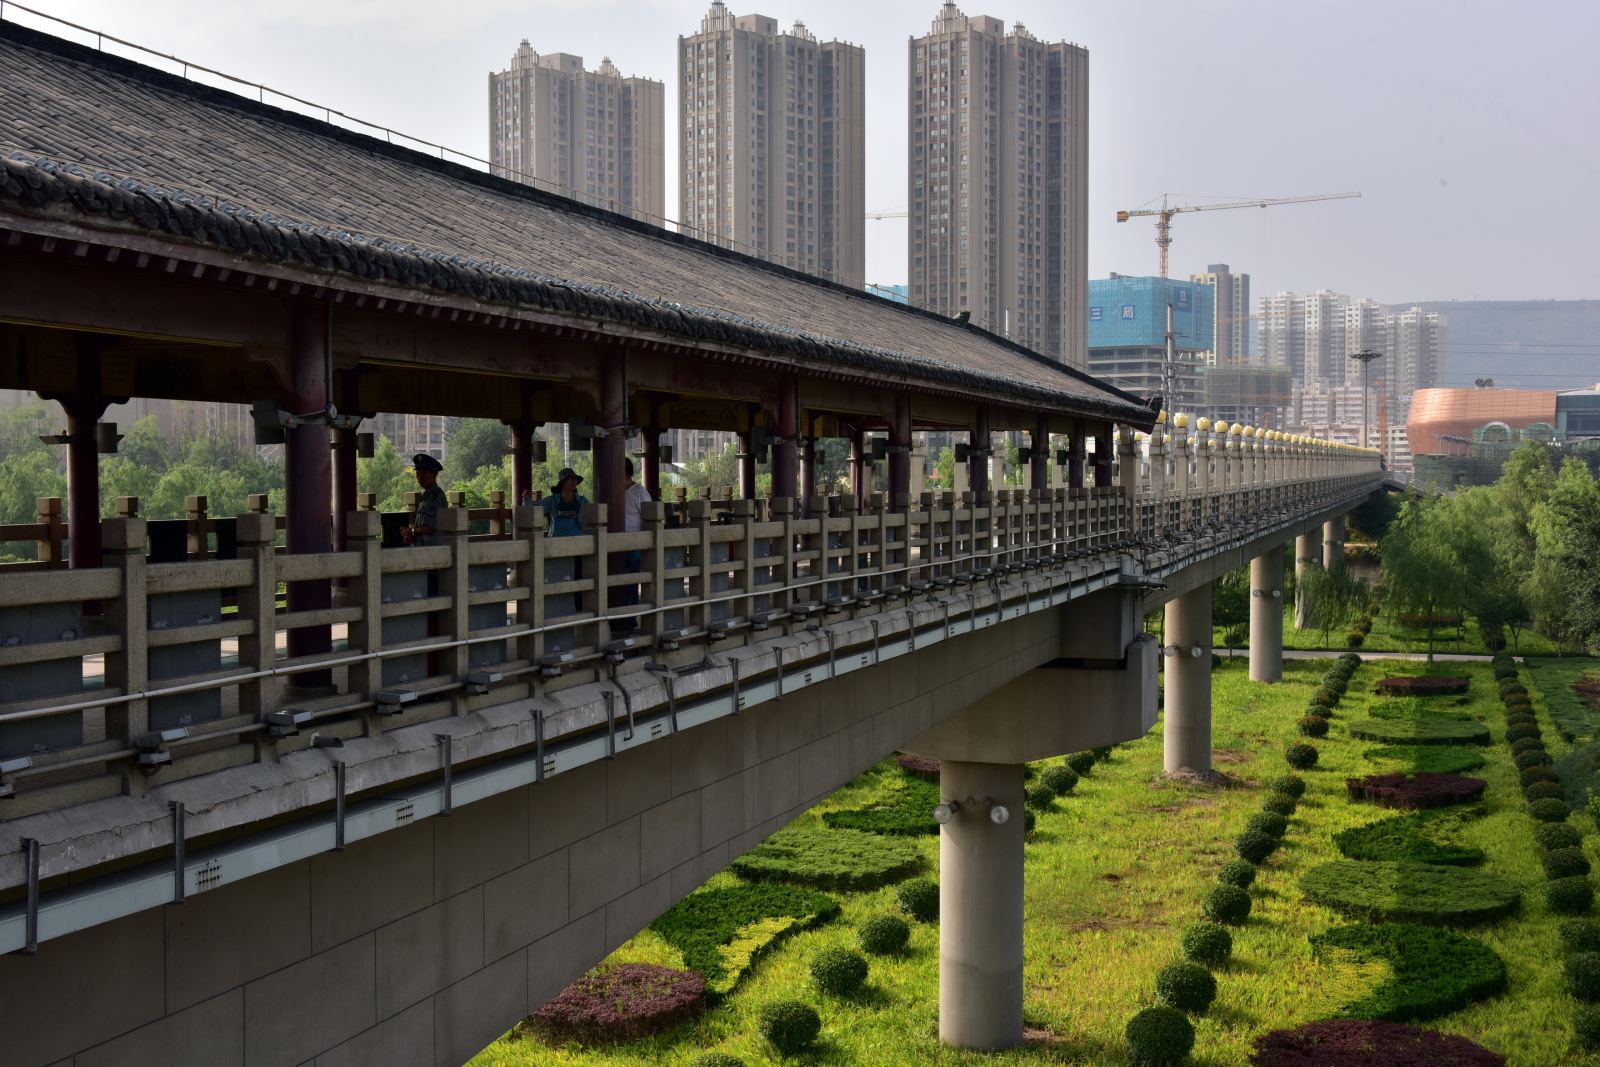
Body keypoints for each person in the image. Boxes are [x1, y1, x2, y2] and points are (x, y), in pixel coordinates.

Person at [402, 454, 447, 546]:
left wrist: (412, 531)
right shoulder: (425, 497)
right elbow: (421, 526)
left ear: (434, 474)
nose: (420, 477)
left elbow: (432, 528)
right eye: (418, 473)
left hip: (433, 550)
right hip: (422, 548)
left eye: (423, 473)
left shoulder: (436, 496)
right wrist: (411, 536)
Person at [540, 467, 588, 536]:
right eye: (571, 478)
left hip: (576, 539)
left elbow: (592, 515)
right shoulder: (552, 501)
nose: (574, 481)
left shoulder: (582, 501)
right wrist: (527, 499)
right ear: (563, 482)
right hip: (556, 540)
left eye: (575, 479)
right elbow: (535, 507)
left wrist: (578, 516)